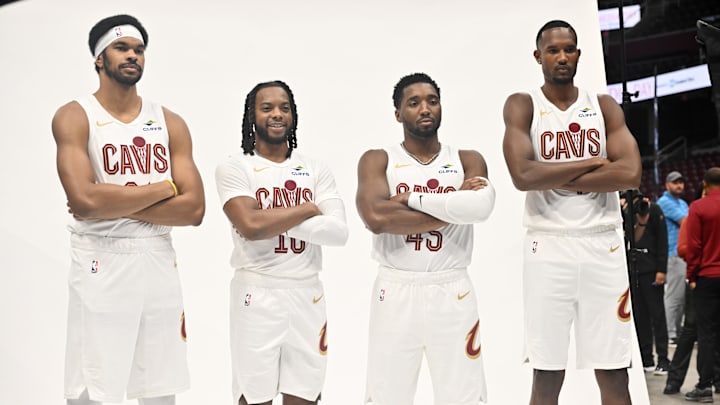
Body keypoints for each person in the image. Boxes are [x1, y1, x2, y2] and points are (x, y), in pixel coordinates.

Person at [52, 14, 205, 405]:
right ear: (99, 59)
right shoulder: (75, 115)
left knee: (158, 387)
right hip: (101, 261)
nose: (132, 55)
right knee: (93, 387)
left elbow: (194, 209)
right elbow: (85, 203)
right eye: (121, 48)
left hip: (158, 261)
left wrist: (111, 200)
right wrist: (165, 188)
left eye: (138, 49)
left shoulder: (170, 121)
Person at [502, 20, 641, 404]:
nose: (562, 57)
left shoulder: (603, 105)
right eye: (553, 50)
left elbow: (629, 172)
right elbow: (523, 175)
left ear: (579, 53)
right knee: (547, 372)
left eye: (569, 49)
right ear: (538, 56)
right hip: (548, 247)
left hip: (603, 246)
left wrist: (554, 175)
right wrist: (595, 164)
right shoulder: (524, 104)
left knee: (614, 371)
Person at [356, 72, 496, 405]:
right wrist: (452, 204)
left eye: (432, 101)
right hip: (396, 289)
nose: (425, 108)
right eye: (414, 102)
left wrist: (409, 200)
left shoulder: (467, 158)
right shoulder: (378, 159)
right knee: (387, 395)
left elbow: (479, 207)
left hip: (453, 289)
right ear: (398, 113)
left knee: (464, 395)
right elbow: (376, 218)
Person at [215, 80, 349, 405]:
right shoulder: (235, 166)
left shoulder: (316, 169)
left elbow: (338, 233)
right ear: (252, 116)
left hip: (307, 294)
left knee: (306, 395)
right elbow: (249, 226)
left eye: (284, 108)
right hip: (257, 294)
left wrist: (269, 218)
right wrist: (305, 209)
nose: (277, 114)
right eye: (267, 108)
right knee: (254, 397)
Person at [620, 190, 669, 375]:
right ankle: (646, 358)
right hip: (634, 271)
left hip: (652, 270)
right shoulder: (626, 212)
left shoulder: (654, 210)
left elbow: (663, 241)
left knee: (658, 316)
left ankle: (663, 359)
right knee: (640, 317)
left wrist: (661, 270)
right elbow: (628, 239)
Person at [683, 167, 720, 402]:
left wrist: (691, 275)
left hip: (708, 277)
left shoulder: (698, 207)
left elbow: (694, 247)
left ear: (704, 184)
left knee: (706, 334)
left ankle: (705, 386)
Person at [656, 170, 689, 344]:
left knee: (682, 297)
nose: (679, 185)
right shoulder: (664, 202)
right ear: (667, 185)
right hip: (673, 254)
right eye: (675, 182)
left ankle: (677, 331)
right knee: (673, 296)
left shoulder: (682, 203)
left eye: (681, 182)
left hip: (684, 254)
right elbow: (686, 222)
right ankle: (670, 334)